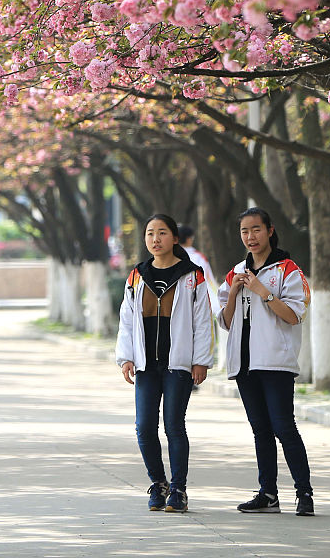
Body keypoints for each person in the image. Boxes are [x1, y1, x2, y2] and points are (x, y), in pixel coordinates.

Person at [219, 207, 315, 517]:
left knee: (284, 427)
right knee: (260, 429)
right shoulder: (236, 271)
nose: (251, 236)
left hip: (275, 362)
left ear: (270, 230)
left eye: (256, 229)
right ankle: (268, 494)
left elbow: (294, 315)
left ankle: (304, 493)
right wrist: (234, 292)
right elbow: (225, 321)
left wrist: (263, 292)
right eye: (245, 231)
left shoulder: (288, 270)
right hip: (245, 364)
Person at [115, 214, 214, 513]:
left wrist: (200, 361)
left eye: (161, 233)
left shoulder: (192, 275)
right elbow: (126, 320)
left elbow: (202, 320)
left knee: (174, 426)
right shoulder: (137, 275)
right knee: (144, 427)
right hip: (146, 364)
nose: (155, 239)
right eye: (150, 234)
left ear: (174, 238)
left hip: (178, 364)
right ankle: (158, 484)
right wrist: (126, 357)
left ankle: (179, 489)